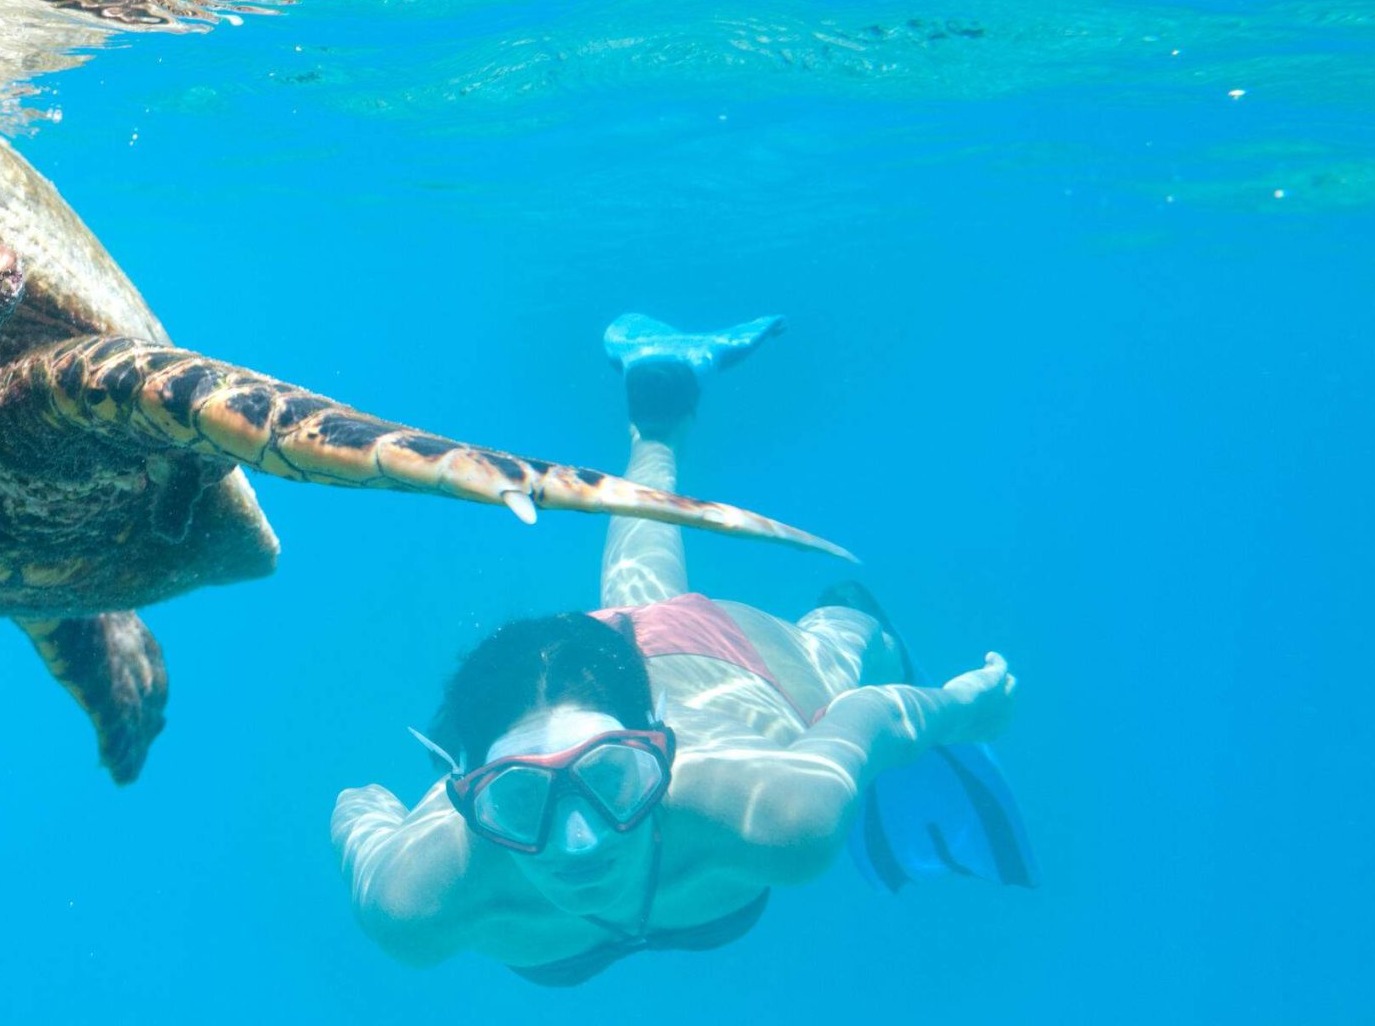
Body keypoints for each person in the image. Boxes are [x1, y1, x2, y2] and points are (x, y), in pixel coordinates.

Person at [331, 315, 1032, 985]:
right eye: (519, 799)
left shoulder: (780, 809)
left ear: (662, 749)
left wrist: (959, 710)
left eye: (611, 777)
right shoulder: (416, 904)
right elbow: (356, 805)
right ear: (467, 799)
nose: (578, 842)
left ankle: (823, 587)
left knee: (846, 640)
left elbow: (873, 712)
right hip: (572, 679)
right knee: (640, 592)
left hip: (718, 667)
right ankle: (659, 414)